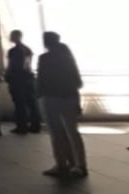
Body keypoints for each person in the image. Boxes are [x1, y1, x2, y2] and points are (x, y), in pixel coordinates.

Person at [37, 31, 87, 179]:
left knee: (56, 134)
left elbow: (41, 80)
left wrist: (39, 95)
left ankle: (61, 163)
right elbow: (77, 81)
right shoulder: (67, 57)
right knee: (73, 133)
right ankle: (80, 164)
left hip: (51, 99)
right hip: (69, 98)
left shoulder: (44, 58)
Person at [5, 30, 41, 134]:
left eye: (12, 35)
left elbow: (13, 65)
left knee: (19, 103)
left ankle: (22, 126)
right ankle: (35, 125)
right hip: (28, 78)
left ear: (16, 37)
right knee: (31, 103)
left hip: (17, 79)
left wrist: (8, 75)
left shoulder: (13, 51)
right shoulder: (27, 49)